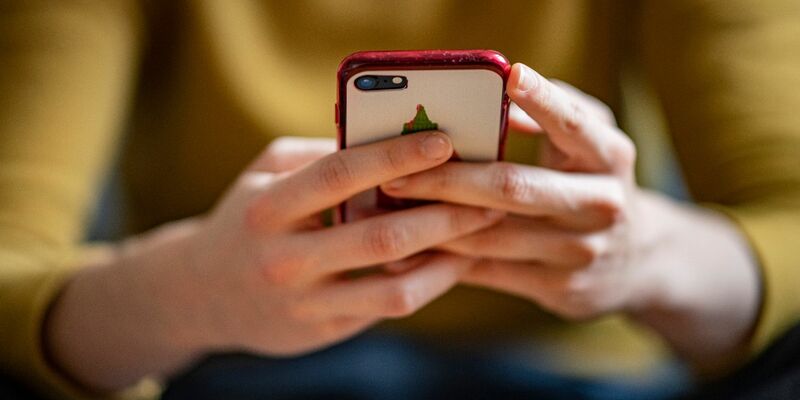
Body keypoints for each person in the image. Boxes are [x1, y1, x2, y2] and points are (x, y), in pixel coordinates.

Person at [0, 1, 798, 399]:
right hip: (238, 372)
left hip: (572, 372)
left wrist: (644, 258)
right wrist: (183, 301)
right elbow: (11, 263)